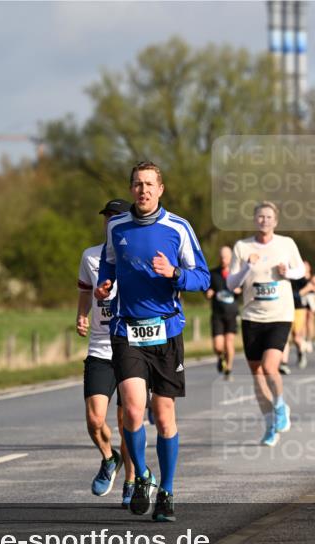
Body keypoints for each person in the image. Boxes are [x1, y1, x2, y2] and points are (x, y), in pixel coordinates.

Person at [96, 160, 210, 522]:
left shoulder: (178, 227)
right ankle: (142, 476)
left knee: (163, 415)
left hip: (166, 330)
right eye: (137, 184)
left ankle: (168, 490)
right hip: (126, 328)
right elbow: (109, 265)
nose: (143, 190)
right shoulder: (116, 226)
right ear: (131, 189)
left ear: (160, 189)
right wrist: (104, 286)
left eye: (149, 184)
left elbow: (203, 278)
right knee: (131, 409)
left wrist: (175, 273)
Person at [227, 202, 305, 446]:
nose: (264, 220)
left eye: (269, 217)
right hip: (252, 317)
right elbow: (231, 284)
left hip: (280, 315)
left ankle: (281, 406)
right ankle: (270, 424)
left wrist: (287, 273)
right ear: (255, 220)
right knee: (257, 374)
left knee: (270, 367)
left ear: (276, 221)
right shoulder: (242, 247)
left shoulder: (286, 244)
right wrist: (247, 267)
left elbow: (300, 270)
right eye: (260, 216)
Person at [78, 198, 135, 506]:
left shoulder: (137, 255)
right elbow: (85, 290)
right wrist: (82, 314)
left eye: (116, 216)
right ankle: (108, 457)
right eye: (107, 217)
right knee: (94, 418)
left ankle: (130, 481)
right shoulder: (90, 256)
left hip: (130, 346)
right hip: (100, 347)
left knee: (128, 420)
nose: (110, 221)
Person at [206, 245, 241, 380]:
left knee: (229, 342)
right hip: (217, 314)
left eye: (226, 257)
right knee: (218, 346)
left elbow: (243, 287)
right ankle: (220, 357)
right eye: (221, 256)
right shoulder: (213, 273)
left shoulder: (235, 274)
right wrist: (208, 293)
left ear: (231, 258)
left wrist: (239, 290)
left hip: (232, 313)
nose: (223, 259)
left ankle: (229, 368)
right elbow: (206, 288)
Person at [301, 260, 315, 353]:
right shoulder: (298, 278)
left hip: (311, 301)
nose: (305, 268)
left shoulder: (314, 277)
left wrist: (312, 287)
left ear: (309, 267)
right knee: (302, 321)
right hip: (301, 300)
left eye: (306, 266)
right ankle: (303, 340)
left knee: (310, 320)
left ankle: (309, 340)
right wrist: (305, 289)